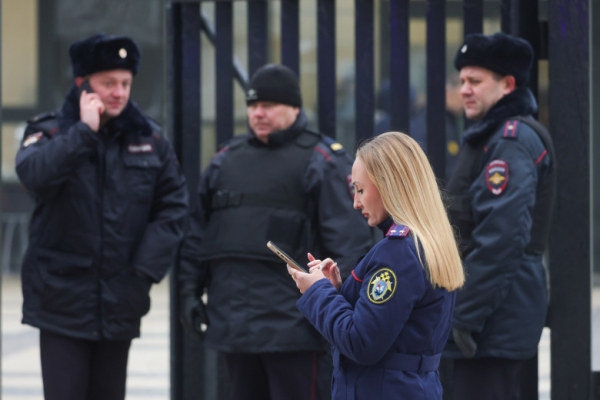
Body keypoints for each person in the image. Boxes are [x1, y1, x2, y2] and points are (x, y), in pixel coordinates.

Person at [178, 63, 372, 400]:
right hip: (233, 325)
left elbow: (349, 245)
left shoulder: (322, 161)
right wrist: (188, 292)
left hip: (295, 330)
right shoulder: (225, 160)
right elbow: (198, 234)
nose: (258, 113)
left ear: (294, 107)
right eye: (253, 105)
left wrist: (338, 313)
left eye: (268, 105)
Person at [15, 33, 188, 400]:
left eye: (125, 83)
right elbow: (33, 177)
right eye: (108, 83)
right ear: (83, 84)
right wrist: (83, 133)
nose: (119, 92)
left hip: (121, 300)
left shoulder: (150, 139)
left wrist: (142, 274)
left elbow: (173, 207)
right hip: (61, 301)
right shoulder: (49, 132)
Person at [288, 131, 465, 399]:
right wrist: (337, 292)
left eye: (360, 189)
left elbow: (361, 343)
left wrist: (317, 292)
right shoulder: (422, 243)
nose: (356, 202)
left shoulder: (398, 253)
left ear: (388, 185)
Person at [442, 32, 556, 399]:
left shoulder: (511, 140)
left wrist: (464, 316)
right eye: (462, 80)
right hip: (486, 318)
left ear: (507, 84)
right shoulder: (490, 137)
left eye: (475, 81)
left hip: (491, 322)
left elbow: (501, 240)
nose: (464, 89)